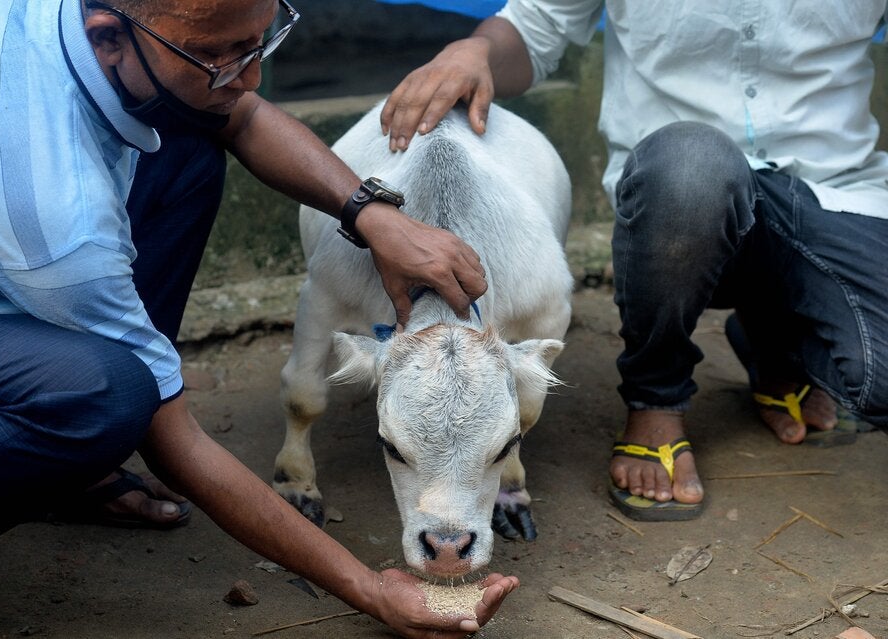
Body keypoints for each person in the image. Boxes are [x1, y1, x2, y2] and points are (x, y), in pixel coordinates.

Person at [0, 1, 521, 637]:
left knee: (188, 137)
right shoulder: (55, 220)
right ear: (108, 40)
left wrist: (372, 215)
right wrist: (369, 589)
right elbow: (178, 445)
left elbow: (242, 115)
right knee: (110, 396)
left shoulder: (90, 23)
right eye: (214, 55)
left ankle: (68, 465)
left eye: (257, 43)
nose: (251, 76)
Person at [380, 1, 888, 522]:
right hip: (678, 196)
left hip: (842, 193)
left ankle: (774, 342)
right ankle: (656, 399)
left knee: (880, 384)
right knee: (691, 163)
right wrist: (476, 50)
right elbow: (534, 26)